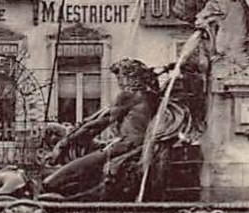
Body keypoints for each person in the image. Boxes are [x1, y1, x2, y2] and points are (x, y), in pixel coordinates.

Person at [42, 60, 161, 199]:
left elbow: (97, 125)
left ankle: (72, 201)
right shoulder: (151, 96)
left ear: (130, 76)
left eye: (120, 77)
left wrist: (64, 143)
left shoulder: (129, 95)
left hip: (125, 146)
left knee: (50, 183)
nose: (119, 83)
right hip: (134, 145)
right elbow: (100, 116)